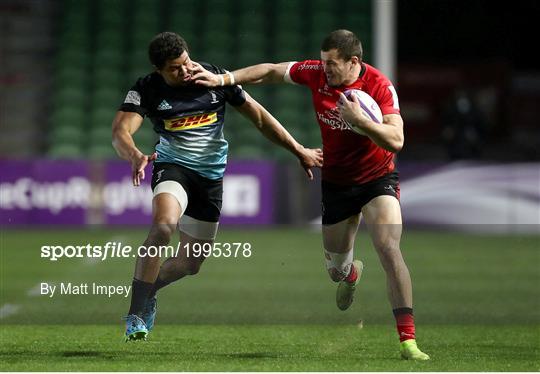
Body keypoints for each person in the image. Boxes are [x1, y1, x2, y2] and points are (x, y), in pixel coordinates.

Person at [191, 29, 429, 360]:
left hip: (378, 179)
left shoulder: (378, 85)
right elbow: (272, 70)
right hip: (336, 184)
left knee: (389, 249)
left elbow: (396, 140)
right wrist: (224, 79)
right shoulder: (316, 74)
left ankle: (408, 342)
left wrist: (361, 121)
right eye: (322, 62)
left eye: (332, 64)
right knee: (335, 271)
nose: (325, 69)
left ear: (353, 62)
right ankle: (351, 273)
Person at [112, 31, 323, 341]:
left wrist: (298, 149)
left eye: (186, 63)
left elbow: (260, 118)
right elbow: (121, 130)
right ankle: (135, 314)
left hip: (210, 179)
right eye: (175, 68)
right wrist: (133, 154)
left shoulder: (214, 78)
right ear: (159, 70)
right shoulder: (148, 89)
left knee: (189, 264)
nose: (185, 71)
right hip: (174, 168)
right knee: (163, 226)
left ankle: (150, 288)